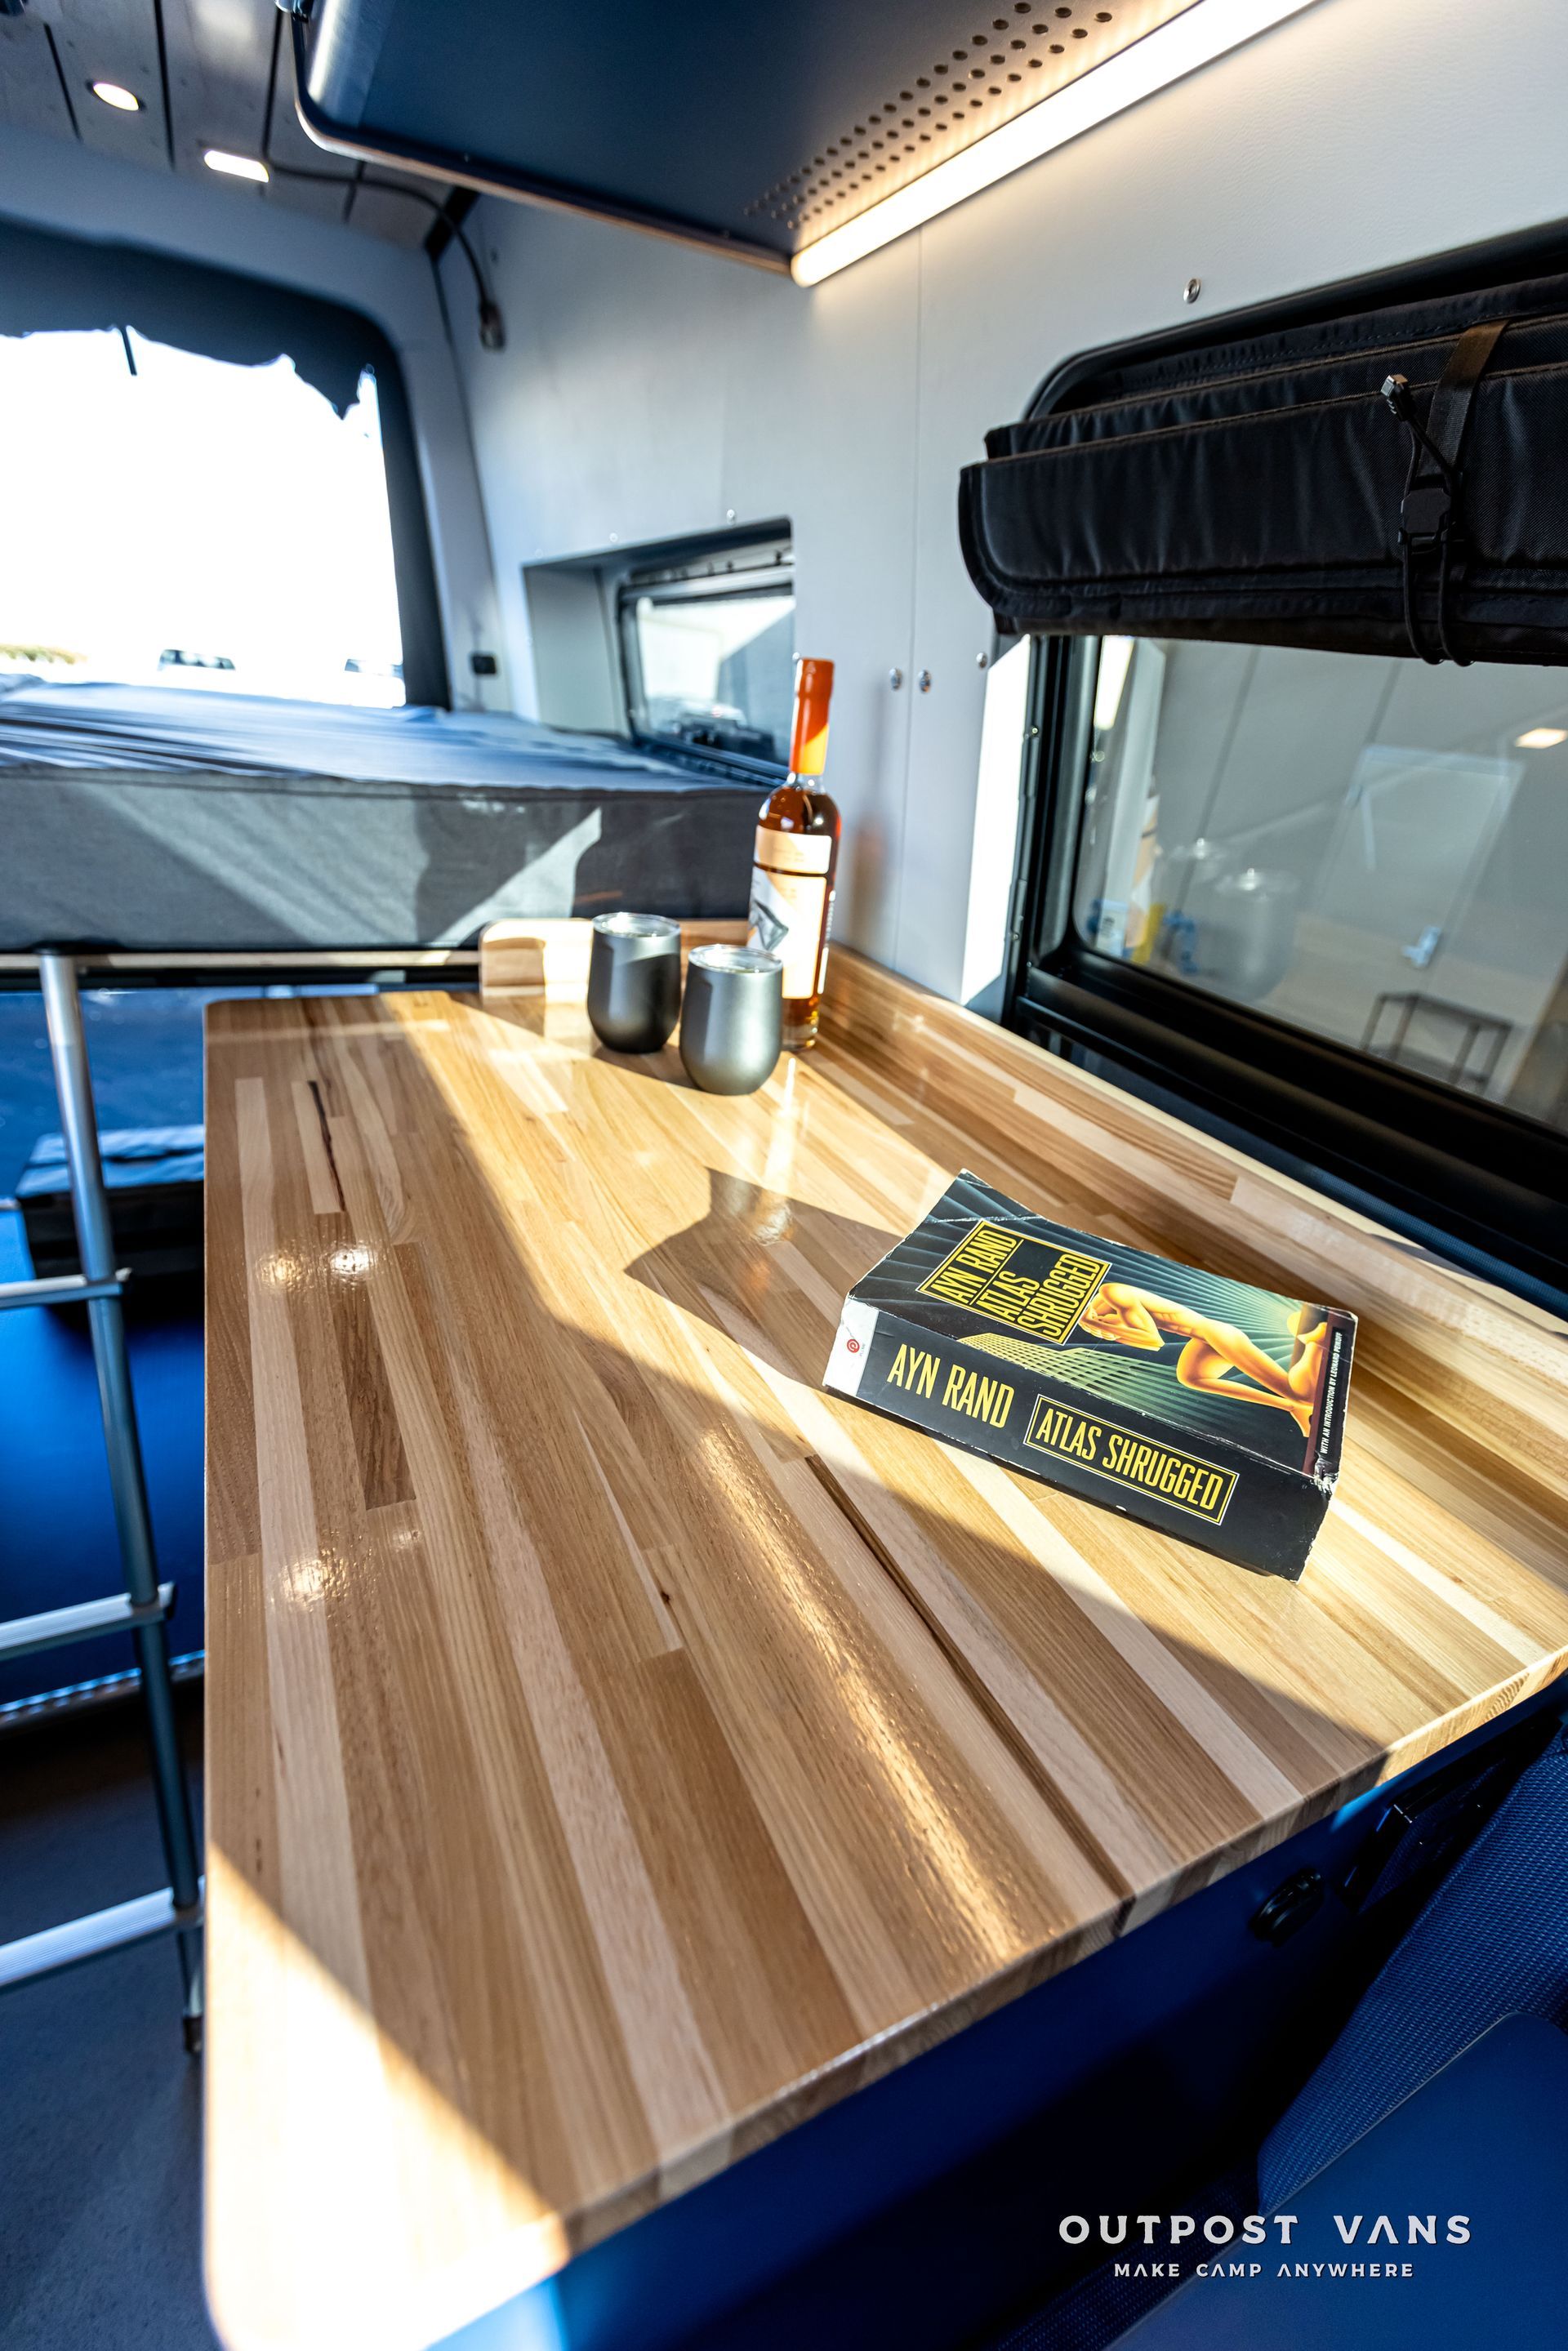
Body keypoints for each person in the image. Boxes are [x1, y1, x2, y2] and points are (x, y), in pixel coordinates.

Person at [1078, 1281, 1329, 1436]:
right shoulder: (1109, 1306)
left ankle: (1316, 1340)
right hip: (1202, 1340)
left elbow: (1152, 1340)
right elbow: (1139, 1338)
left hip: (1216, 1334)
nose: (1108, 1330)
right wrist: (1108, 1329)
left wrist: (1096, 1323)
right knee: (1191, 1378)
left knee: (1299, 1392)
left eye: (1106, 1327)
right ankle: (1290, 1407)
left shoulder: (1113, 1293)